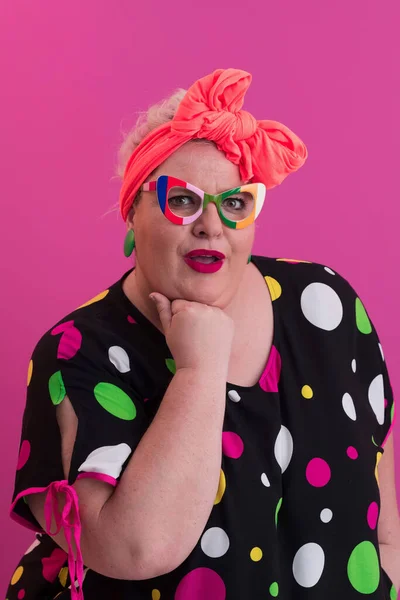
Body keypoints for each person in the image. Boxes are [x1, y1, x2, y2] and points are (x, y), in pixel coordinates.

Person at [7, 68, 399, 600]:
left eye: (235, 203)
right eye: (183, 199)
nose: (211, 226)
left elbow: (378, 488)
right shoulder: (81, 350)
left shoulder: (324, 305)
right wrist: (199, 369)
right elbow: (135, 548)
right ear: (132, 212)